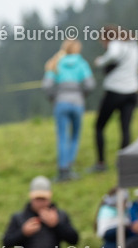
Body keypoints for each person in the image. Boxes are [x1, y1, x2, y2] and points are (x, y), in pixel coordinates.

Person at [89, 26, 138, 173]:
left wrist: (100, 61)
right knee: (125, 127)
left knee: (99, 126)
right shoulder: (133, 45)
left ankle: (100, 163)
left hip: (115, 91)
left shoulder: (115, 44)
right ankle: (124, 162)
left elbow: (112, 54)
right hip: (132, 91)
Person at [42, 40, 94, 181]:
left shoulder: (56, 62)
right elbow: (90, 84)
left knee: (62, 136)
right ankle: (70, 167)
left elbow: (46, 85)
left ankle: (62, 170)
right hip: (77, 103)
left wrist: (54, 97)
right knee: (75, 135)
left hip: (61, 102)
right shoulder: (82, 63)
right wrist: (81, 95)